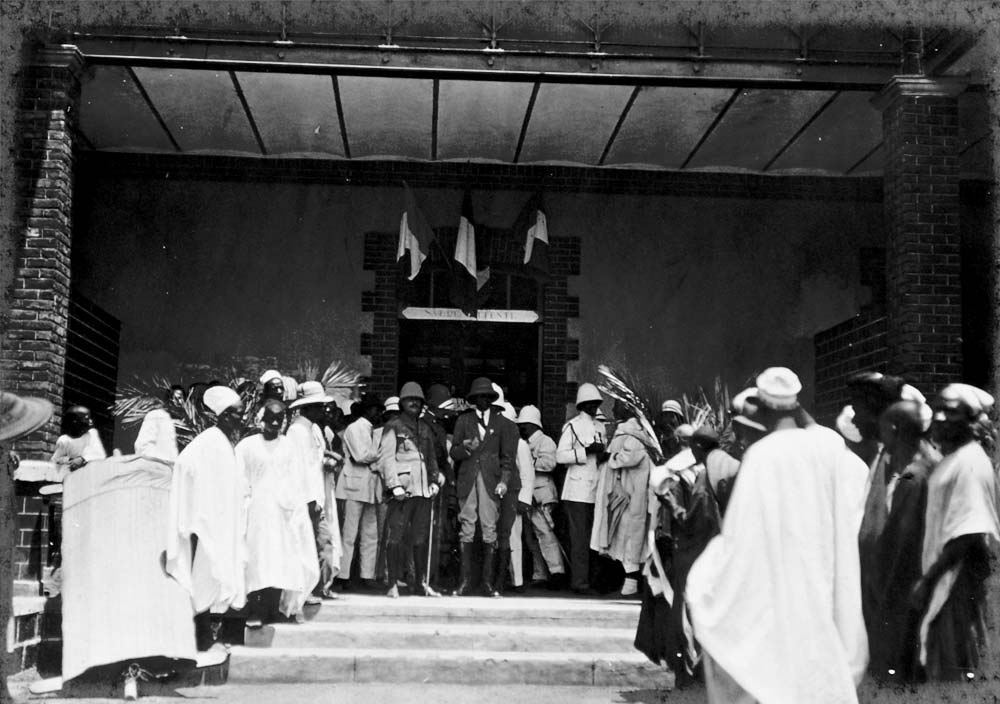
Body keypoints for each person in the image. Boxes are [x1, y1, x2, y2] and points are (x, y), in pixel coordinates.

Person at [686, 367, 869, 703]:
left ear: (763, 409)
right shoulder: (829, 446)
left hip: (779, 580)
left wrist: (707, 571)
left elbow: (742, 537)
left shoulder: (763, 455)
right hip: (822, 576)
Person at [912, 383, 1000, 681]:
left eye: (949, 411)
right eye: (937, 409)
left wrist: (928, 580)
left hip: (960, 578)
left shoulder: (970, 464)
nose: (938, 417)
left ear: (970, 421)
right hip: (947, 578)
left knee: (956, 666)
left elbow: (969, 532)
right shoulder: (954, 459)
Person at [165, 385, 250, 651]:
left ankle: (203, 637)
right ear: (223, 415)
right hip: (206, 524)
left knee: (215, 576)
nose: (242, 419)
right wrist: (199, 510)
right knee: (204, 576)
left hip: (222, 523)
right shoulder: (209, 441)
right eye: (237, 414)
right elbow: (184, 466)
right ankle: (201, 639)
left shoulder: (224, 442)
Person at [859, 399, 937, 683]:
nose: (880, 436)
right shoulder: (926, 465)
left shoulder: (912, 478)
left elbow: (901, 544)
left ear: (893, 428)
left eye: (883, 429)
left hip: (902, 588)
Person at [236, 400, 319, 624]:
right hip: (256, 513)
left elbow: (298, 480)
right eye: (270, 417)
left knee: (280, 561)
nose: (274, 422)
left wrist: (298, 509)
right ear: (261, 418)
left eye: (279, 418)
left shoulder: (289, 447)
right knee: (257, 560)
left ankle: (274, 610)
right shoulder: (247, 446)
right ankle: (255, 611)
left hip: (284, 513)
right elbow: (239, 480)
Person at [450, 377, 518, 597]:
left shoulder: (504, 424)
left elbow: (508, 458)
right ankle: (465, 582)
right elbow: (454, 453)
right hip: (468, 478)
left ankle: (488, 583)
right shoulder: (463, 421)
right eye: (479, 397)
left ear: (491, 400)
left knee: (489, 527)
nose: (482, 401)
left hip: (490, 481)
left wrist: (504, 482)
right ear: (473, 399)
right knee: (467, 526)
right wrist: (466, 449)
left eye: (486, 397)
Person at [379, 382, 445, 598]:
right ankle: (392, 584)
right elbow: (386, 458)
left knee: (420, 539)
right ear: (402, 403)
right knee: (395, 537)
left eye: (418, 400)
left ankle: (420, 583)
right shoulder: (393, 426)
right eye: (410, 400)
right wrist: (394, 485)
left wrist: (434, 481)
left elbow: (431, 458)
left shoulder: (425, 428)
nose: (414, 403)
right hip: (402, 490)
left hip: (423, 489)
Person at [287, 381, 342, 601]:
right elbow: (298, 469)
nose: (322, 410)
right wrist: (309, 499)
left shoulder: (311, 429)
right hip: (307, 498)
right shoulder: (297, 432)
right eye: (318, 405)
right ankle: (308, 589)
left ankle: (320, 587)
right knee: (314, 543)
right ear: (308, 407)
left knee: (323, 543)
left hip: (317, 496)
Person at [591, 406, 652, 597]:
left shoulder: (633, 433)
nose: (614, 410)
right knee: (624, 536)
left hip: (630, 493)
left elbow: (630, 456)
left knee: (630, 536)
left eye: (618, 407)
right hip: (626, 492)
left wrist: (611, 457)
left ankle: (632, 581)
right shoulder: (630, 431)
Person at [556, 382, 607, 595]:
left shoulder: (600, 427)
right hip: (576, 491)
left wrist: (603, 455)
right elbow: (560, 456)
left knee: (594, 538)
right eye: (590, 403)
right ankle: (579, 582)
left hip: (596, 489)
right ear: (582, 404)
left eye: (596, 403)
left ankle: (592, 580)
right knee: (579, 539)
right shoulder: (572, 426)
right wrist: (585, 451)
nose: (594, 407)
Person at [334, 394, 383, 591]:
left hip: (370, 487)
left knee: (371, 533)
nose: (379, 414)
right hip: (353, 485)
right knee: (350, 533)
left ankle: (367, 575)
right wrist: (382, 453)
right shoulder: (355, 428)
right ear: (367, 410)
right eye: (376, 410)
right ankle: (343, 575)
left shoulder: (373, 430)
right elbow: (361, 456)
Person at [515, 404, 566, 589]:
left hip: (542, 493)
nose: (522, 427)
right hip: (528, 494)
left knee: (545, 534)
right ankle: (540, 574)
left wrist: (528, 461)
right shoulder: (524, 443)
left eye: (525, 424)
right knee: (531, 538)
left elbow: (550, 464)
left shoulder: (546, 442)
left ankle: (557, 571)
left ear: (534, 424)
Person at [51, 405, 106, 473]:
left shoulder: (92, 434)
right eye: (86, 418)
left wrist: (82, 459)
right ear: (75, 421)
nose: (90, 421)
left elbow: (101, 455)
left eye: (90, 418)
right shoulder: (64, 440)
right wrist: (69, 460)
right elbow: (55, 460)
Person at [134, 388, 179, 463]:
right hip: (156, 466)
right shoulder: (155, 415)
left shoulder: (166, 417)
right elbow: (142, 446)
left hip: (167, 467)